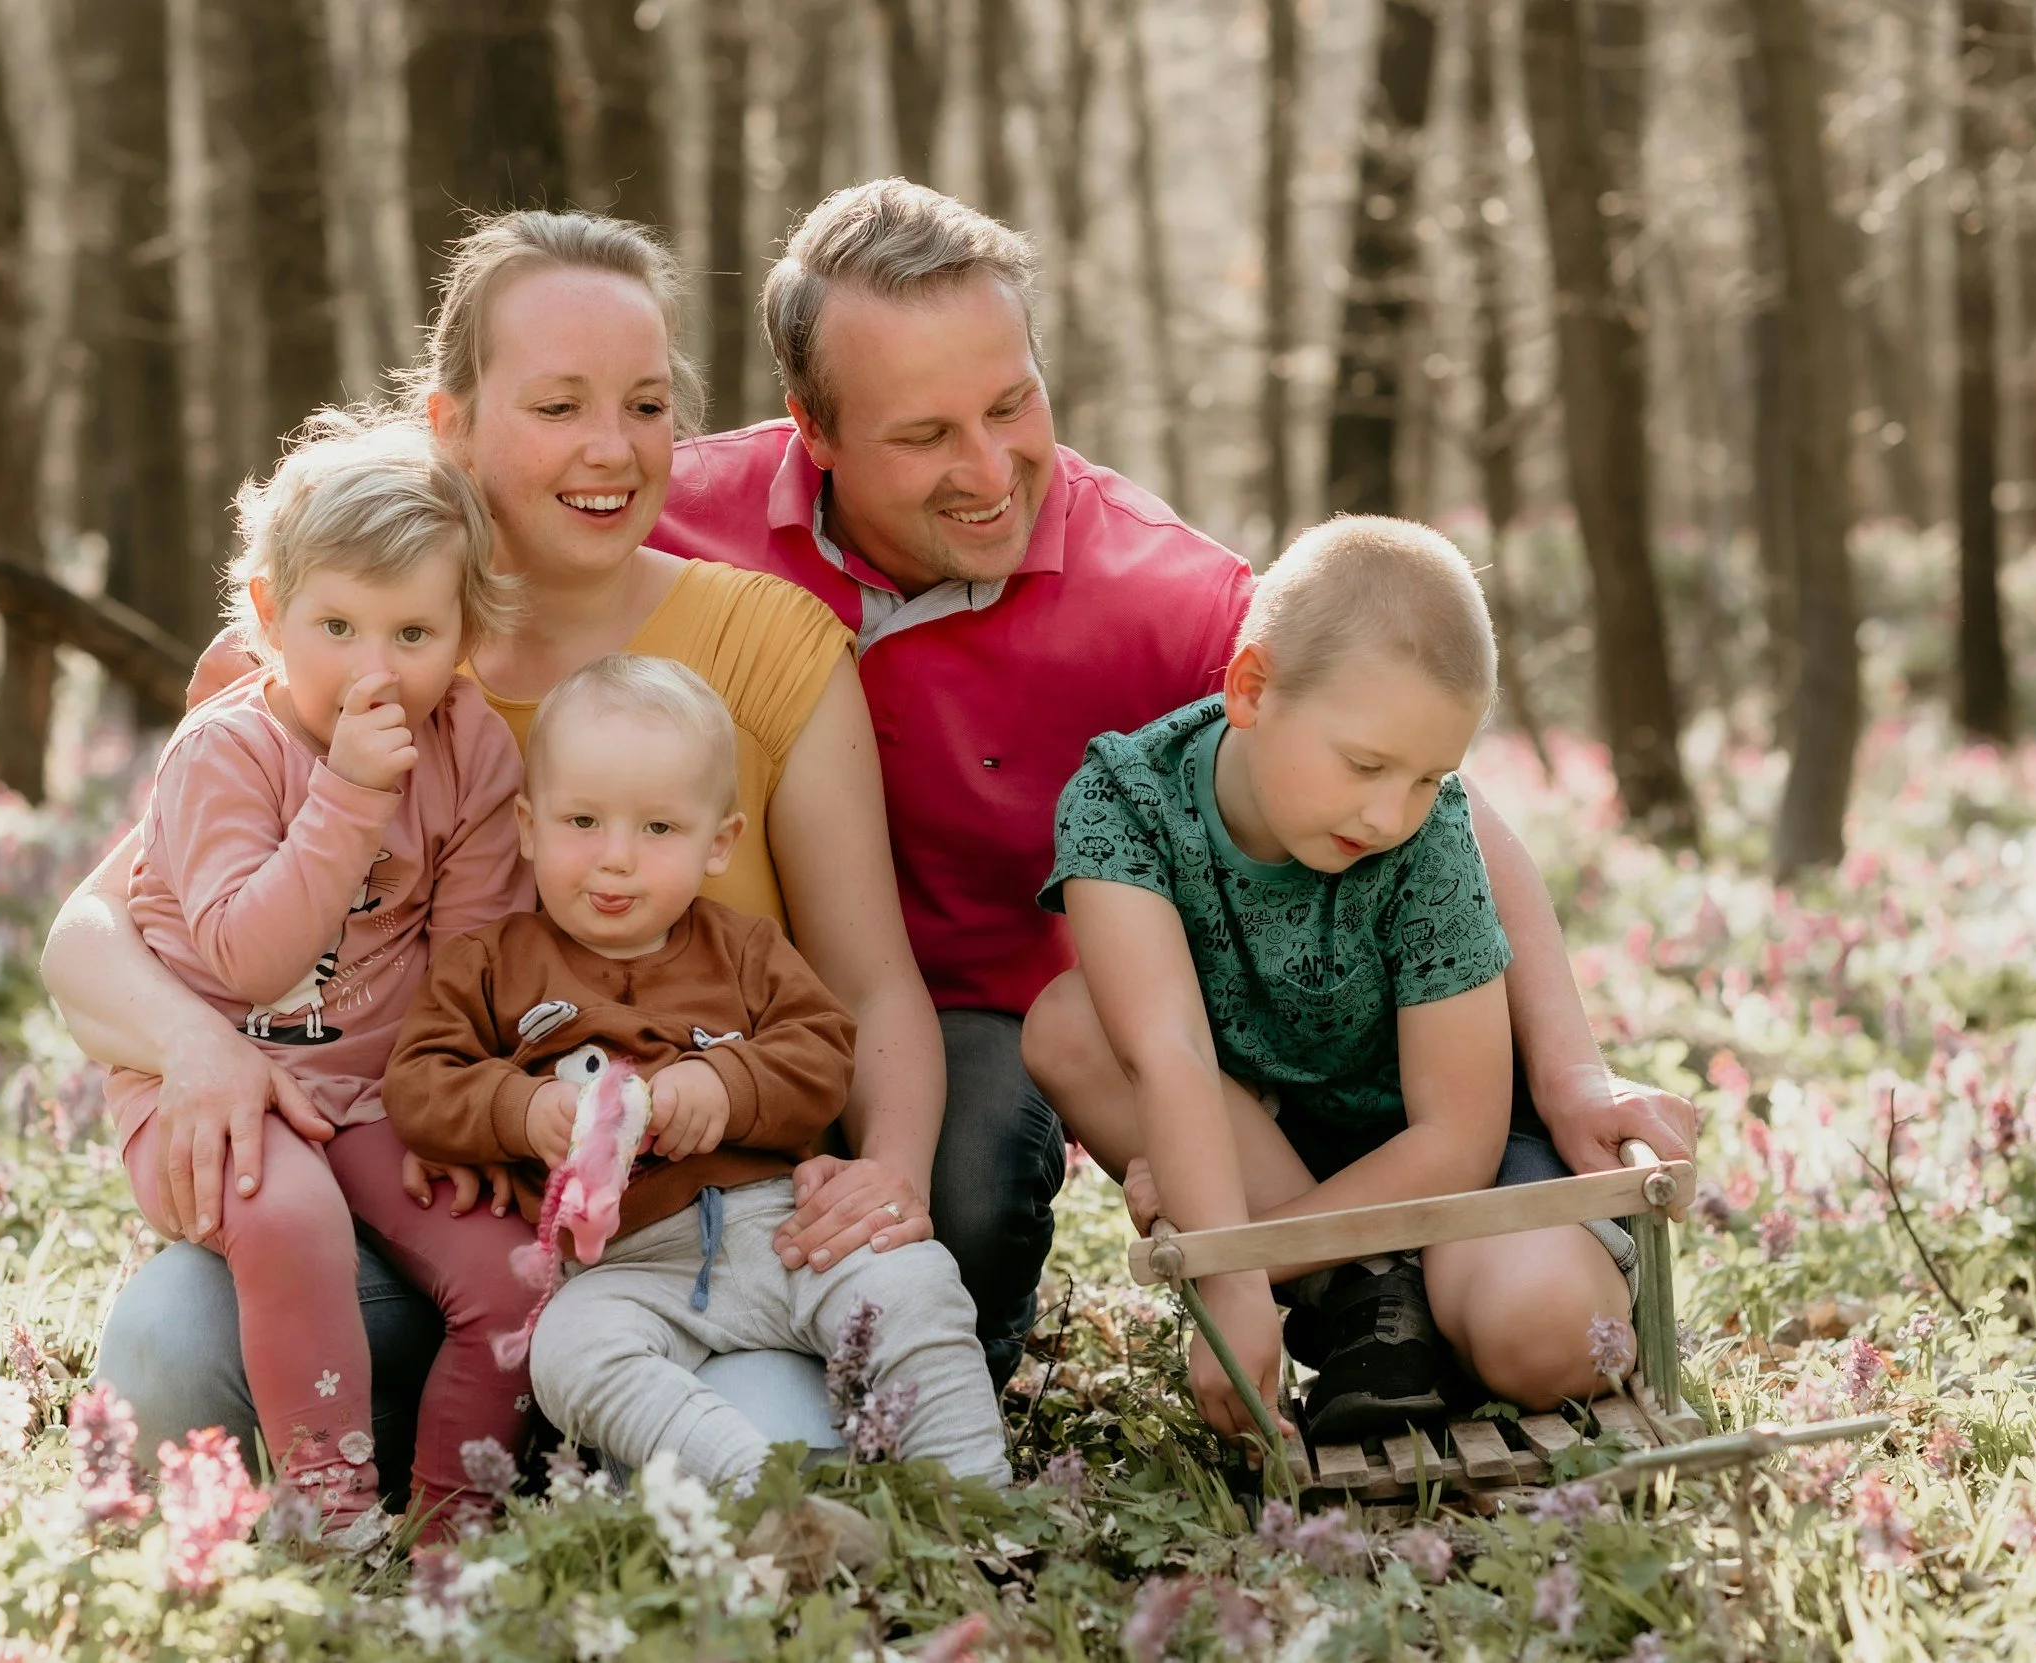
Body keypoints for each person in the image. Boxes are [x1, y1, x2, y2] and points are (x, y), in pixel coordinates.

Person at [654, 179, 1697, 1385]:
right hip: (750, 986)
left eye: (1012, 403)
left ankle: (1360, 1289)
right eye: (925, 434)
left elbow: (1433, 807)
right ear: (811, 430)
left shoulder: (1158, 590)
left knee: (964, 1205)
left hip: (991, 1014)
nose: (990, 467)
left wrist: (1568, 1073)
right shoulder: (679, 517)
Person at [50, 211, 933, 1470]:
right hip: (422, 1215)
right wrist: (199, 1049)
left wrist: (888, 1167)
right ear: (450, 420)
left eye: (641, 404)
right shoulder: (333, 665)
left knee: (766, 1467)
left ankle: (554, 1459)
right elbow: (92, 933)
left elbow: (868, 976)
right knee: (169, 1346)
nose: (610, 448)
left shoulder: (768, 643)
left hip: (687, 1250)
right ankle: (405, 1476)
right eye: (558, 404)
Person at [1038, 517, 1633, 1446]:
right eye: (1364, 764)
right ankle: (1368, 1299)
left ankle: (1394, 1306)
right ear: (1252, 689)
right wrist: (1229, 1274)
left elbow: (1459, 1134)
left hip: (1451, 1177)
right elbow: (1167, 1053)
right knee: (1071, 1024)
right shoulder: (1127, 800)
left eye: (1431, 776)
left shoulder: (1426, 833)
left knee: (1552, 1341)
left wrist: (1240, 1247)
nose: (1390, 811)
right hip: (1277, 1146)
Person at [387, 656, 1008, 1485]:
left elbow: (823, 1051)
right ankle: (758, 1492)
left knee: (914, 1280)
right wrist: (522, 1108)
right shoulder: (495, 963)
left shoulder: (743, 949)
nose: (615, 859)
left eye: (657, 829)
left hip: (773, 1227)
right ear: (528, 828)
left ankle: (976, 1497)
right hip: (621, 1265)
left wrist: (723, 1086)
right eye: (582, 822)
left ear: (719, 844)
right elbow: (421, 1078)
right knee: (566, 1354)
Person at [107, 413, 539, 1537]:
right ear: (267, 616)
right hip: (211, 1091)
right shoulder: (224, 751)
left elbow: (470, 957)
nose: (373, 667)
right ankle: (329, 1509)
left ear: (464, 634)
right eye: (337, 624)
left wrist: (463, 1111)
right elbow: (250, 955)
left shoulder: (472, 748)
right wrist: (348, 796)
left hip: (377, 1092)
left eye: (411, 632)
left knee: (510, 1268)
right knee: (288, 1219)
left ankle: (453, 1522)